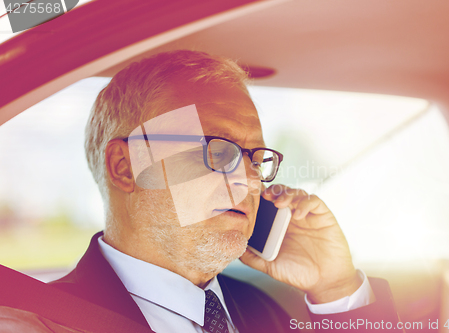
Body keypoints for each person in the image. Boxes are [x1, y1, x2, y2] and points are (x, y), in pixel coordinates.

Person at [50, 50, 401, 333]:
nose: (249, 181)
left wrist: (336, 290)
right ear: (126, 167)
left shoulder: (264, 309)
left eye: (256, 159)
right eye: (217, 151)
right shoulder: (40, 321)